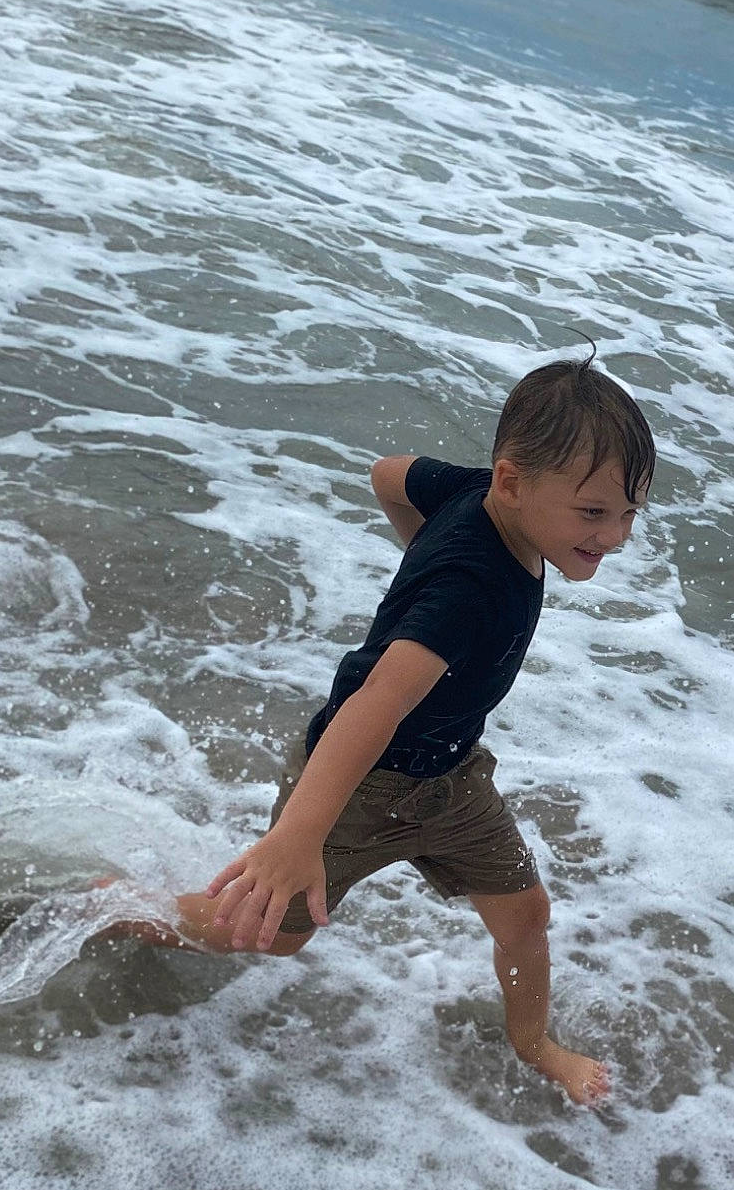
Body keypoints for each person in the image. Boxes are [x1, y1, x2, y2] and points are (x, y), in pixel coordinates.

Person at [132, 354, 654, 1106]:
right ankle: (115, 907)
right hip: (361, 787)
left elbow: (389, 473)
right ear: (512, 482)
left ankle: (535, 1043)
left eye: (629, 513)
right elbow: (374, 703)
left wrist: (420, 547)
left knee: (525, 914)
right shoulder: (466, 594)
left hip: (452, 776)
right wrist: (300, 834)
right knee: (264, 934)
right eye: (594, 512)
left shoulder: (476, 494)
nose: (615, 536)